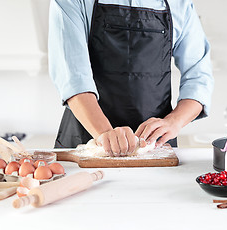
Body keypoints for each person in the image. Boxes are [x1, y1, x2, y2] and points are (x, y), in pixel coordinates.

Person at [48, 0, 214, 156]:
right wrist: (105, 134)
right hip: (88, 142)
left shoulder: (179, 4)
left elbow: (198, 76)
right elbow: (73, 78)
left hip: (154, 147)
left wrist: (174, 122)